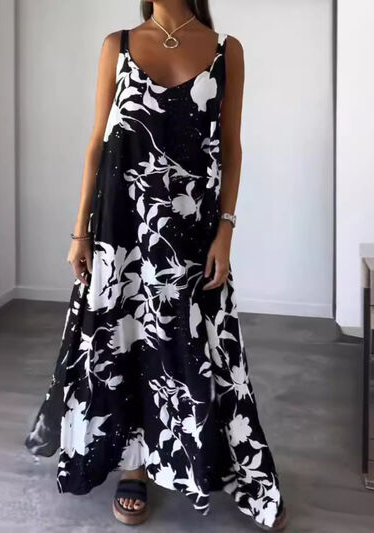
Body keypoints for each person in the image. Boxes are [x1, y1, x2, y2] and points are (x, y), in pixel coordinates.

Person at [25, 0, 287, 530]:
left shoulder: (226, 51)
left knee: (192, 346)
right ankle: (134, 466)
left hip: (191, 233)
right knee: (123, 341)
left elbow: (231, 147)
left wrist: (226, 230)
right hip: (120, 229)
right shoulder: (117, 46)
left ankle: (210, 462)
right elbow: (97, 144)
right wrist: (81, 231)